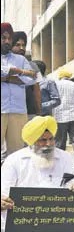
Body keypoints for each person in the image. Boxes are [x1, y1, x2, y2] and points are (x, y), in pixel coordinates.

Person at [1, 116, 74, 232]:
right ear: (32, 141)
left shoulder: (64, 156)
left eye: (51, 139)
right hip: (27, 212)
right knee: (4, 215)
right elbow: (3, 192)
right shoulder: (14, 160)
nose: (49, 143)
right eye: (43, 140)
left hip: (56, 209)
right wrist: (3, 201)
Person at [1, 22, 37, 161]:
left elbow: (32, 79)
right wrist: (20, 73)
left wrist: (7, 78)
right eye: (3, 38)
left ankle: (13, 182)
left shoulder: (20, 59)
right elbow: (24, 76)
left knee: (17, 154)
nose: (7, 41)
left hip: (18, 110)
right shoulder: (21, 63)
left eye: (9, 38)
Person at [53, 68, 74, 170]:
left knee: (60, 142)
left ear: (60, 76)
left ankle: (60, 164)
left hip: (60, 116)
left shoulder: (56, 84)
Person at [11, 31, 43, 120]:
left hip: (29, 114)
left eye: (24, 45)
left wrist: (39, 113)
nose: (22, 48)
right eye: (17, 45)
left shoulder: (33, 66)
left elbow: (37, 91)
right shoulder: (4, 66)